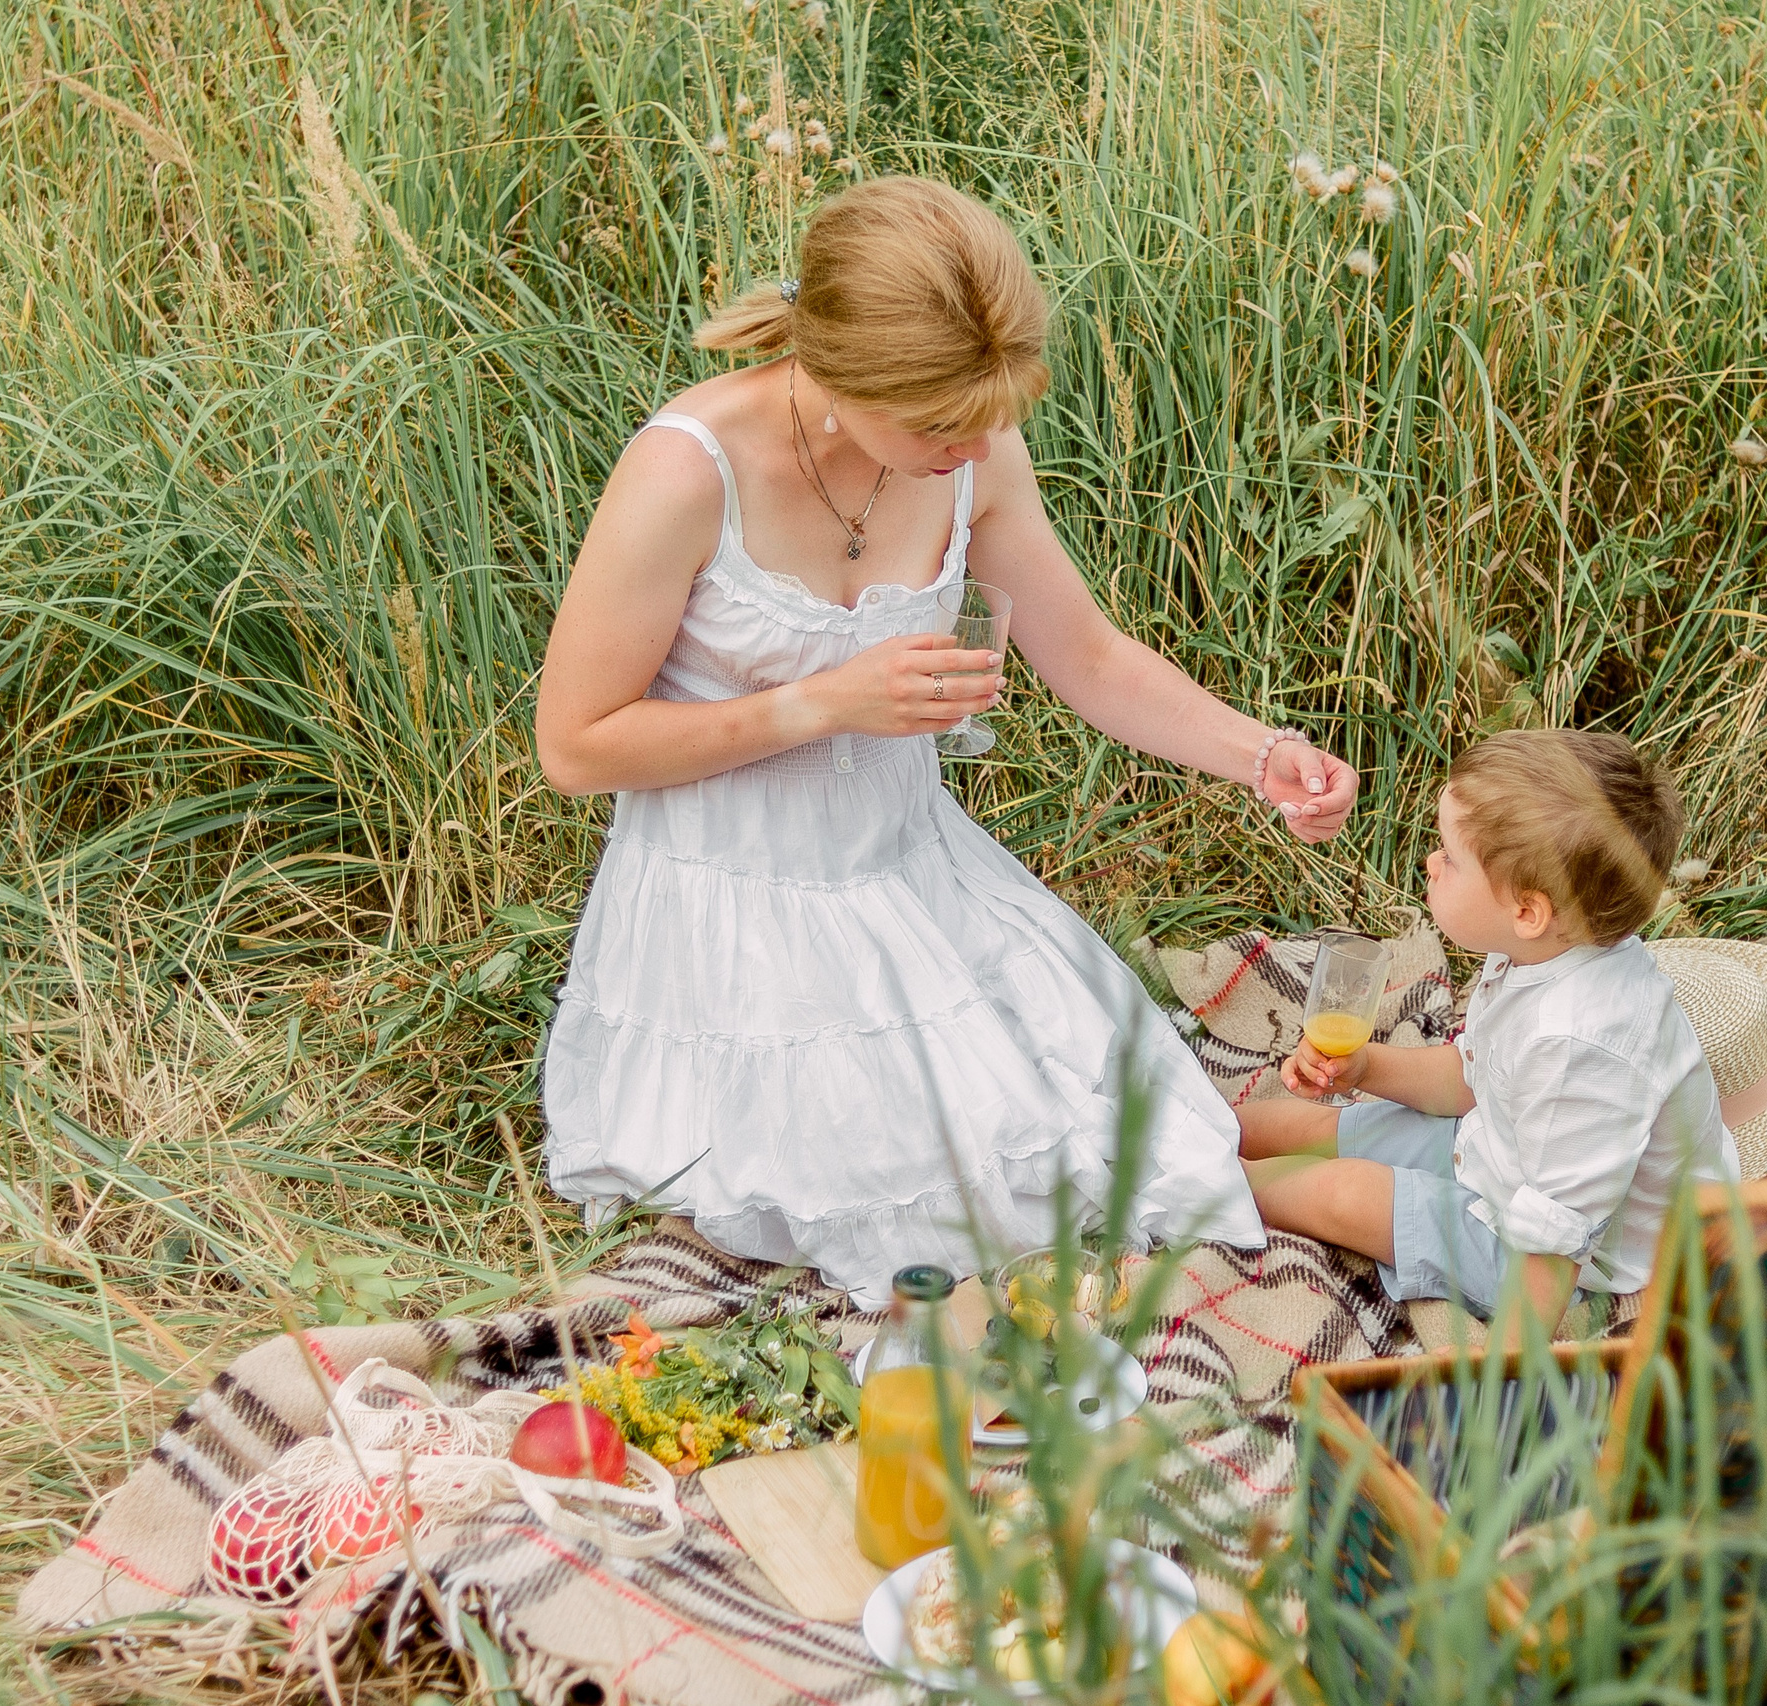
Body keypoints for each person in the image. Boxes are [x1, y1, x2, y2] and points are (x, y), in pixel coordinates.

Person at [534, 176, 1358, 1307]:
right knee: (958, 1201)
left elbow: (1094, 659)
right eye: (936, 426)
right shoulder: (686, 471)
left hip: (915, 869)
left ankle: (1355, 1145)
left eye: (988, 418)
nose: (970, 451)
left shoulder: (971, 448)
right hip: (740, 908)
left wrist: (1262, 754)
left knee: (1116, 1128)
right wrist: (821, 702)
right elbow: (576, 746)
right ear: (835, 375)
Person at [1236, 728, 1737, 1341]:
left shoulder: (1582, 1048)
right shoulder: (1535, 954)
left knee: (1344, 1194)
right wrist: (1366, 1069)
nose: (1430, 862)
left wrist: (1505, 1381)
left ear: (1528, 911)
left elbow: (1556, 1243)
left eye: (1450, 856)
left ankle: (1188, 1183)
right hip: (1500, 1149)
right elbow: (1474, 1078)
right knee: (1311, 1128)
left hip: (1560, 1256)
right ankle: (1181, 1129)